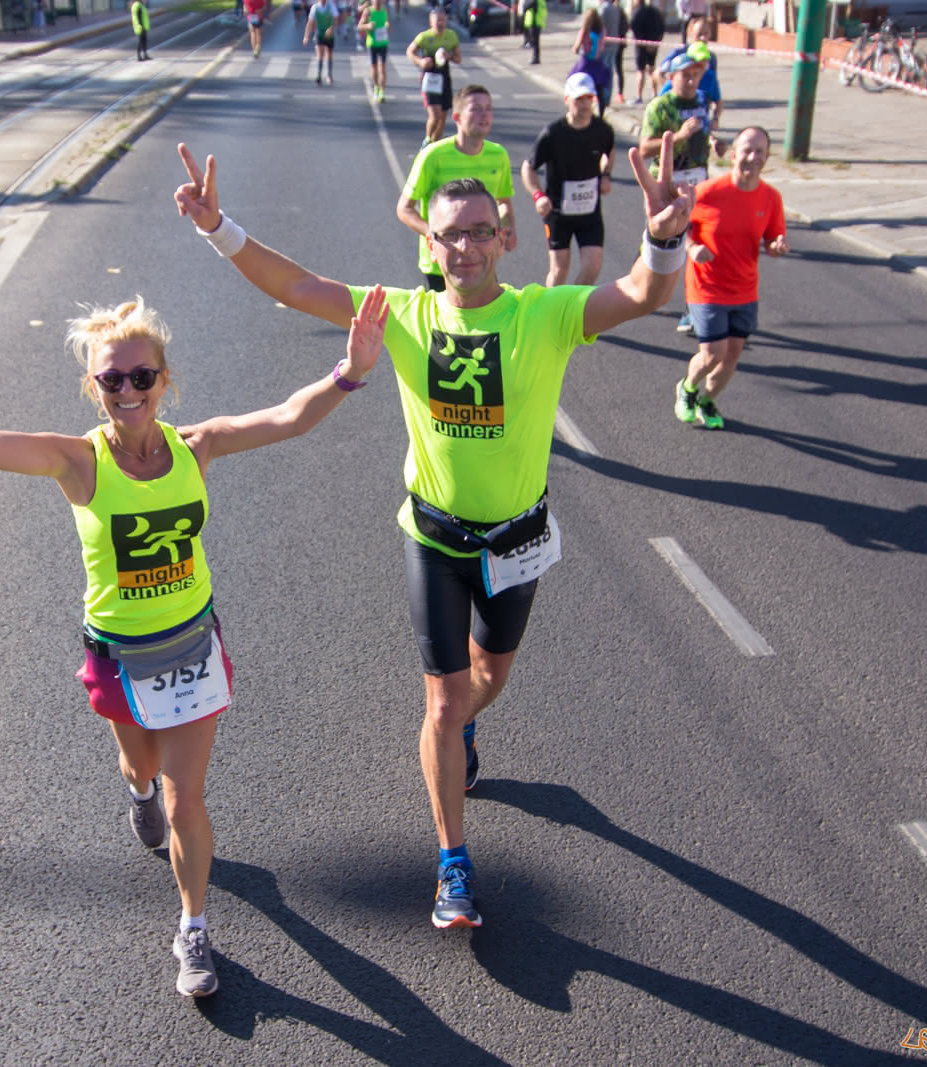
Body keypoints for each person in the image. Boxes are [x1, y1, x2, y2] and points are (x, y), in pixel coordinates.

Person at [172, 136, 693, 930]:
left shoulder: (543, 316)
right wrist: (219, 228)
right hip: (434, 537)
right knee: (444, 705)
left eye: (481, 231)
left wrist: (660, 241)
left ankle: (463, 725)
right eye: (451, 233)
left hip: (515, 542)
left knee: (489, 680)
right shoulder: (404, 312)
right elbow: (297, 286)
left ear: (507, 237)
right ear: (431, 241)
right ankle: (452, 863)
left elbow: (638, 295)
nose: (467, 246)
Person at [0, 288, 388, 997]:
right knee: (144, 770)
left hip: (192, 646)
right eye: (112, 379)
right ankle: (135, 786)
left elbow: (288, 417)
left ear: (165, 381)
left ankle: (193, 927)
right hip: (121, 658)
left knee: (185, 798)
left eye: (142, 376)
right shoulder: (78, 462)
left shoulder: (198, 445)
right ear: (94, 386)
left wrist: (348, 372)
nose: (128, 390)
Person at [671, 126, 787, 430]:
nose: (752, 157)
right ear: (733, 154)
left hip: (745, 290)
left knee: (732, 355)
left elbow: (774, 239)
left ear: (766, 158)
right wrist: (693, 247)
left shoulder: (770, 198)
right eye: (747, 150)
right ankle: (687, 388)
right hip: (706, 286)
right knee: (713, 353)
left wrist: (776, 247)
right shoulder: (708, 193)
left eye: (759, 151)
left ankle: (707, 400)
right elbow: (678, 228)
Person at [398, 84, 517, 291]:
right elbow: (404, 209)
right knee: (446, 324)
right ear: (457, 118)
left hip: (481, 261)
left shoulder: (499, 155)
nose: (484, 114)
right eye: (476, 108)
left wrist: (508, 226)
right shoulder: (433, 156)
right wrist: (435, 235)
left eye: (488, 108)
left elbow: (503, 202)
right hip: (442, 265)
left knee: (487, 321)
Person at [643, 46, 721, 334]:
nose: (692, 81)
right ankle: (651, 279)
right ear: (672, 76)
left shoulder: (702, 100)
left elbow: (704, 134)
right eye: (685, 75)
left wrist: (714, 143)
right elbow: (644, 148)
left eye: (696, 75)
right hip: (668, 187)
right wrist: (679, 136)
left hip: (698, 181)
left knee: (696, 245)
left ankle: (693, 309)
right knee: (672, 243)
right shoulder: (660, 107)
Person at [522, 72, 615, 286]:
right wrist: (538, 196)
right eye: (578, 99)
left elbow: (609, 152)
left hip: (589, 211)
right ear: (567, 100)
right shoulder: (553, 133)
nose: (584, 105)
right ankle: (551, 310)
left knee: (593, 267)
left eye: (588, 99)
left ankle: (570, 307)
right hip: (557, 213)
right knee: (559, 270)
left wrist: (606, 175)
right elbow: (528, 167)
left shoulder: (603, 130)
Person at [407, 8, 462, 146]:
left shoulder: (451, 36)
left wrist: (449, 56)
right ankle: (427, 140)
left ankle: (434, 144)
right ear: (431, 22)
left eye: (443, 20)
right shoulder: (424, 37)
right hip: (430, 77)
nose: (440, 23)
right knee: (435, 115)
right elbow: (410, 52)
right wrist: (420, 61)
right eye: (437, 21)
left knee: (443, 117)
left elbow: (458, 58)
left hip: (444, 76)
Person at [661, 37, 724, 132]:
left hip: (700, 130)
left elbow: (718, 101)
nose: (703, 64)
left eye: (705, 60)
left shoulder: (710, 77)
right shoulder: (680, 78)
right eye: (699, 60)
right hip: (676, 128)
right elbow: (661, 99)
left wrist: (715, 118)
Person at [572, 7, 612, 114]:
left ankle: (578, 107)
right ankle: (601, 112)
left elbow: (576, 47)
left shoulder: (585, 30)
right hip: (598, 63)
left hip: (586, 63)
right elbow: (602, 45)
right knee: (600, 88)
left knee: (577, 82)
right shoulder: (602, 29)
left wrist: (577, 49)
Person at [629, 0, 664, 105]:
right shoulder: (655, 11)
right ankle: (655, 94)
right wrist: (657, 41)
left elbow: (633, 27)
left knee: (641, 70)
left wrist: (642, 43)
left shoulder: (637, 12)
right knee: (652, 68)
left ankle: (639, 96)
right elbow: (662, 27)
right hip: (653, 44)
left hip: (641, 45)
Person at [360, 0, 391, 100]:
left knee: (382, 67)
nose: (377, 1)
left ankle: (382, 91)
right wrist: (367, 26)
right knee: (374, 68)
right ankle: (376, 87)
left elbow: (387, 21)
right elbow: (359, 26)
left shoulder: (384, 10)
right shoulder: (368, 11)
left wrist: (387, 25)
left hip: (383, 43)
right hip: (372, 43)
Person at [304, 0, 340, 84]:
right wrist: (306, 36)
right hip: (319, 33)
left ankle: (329, 74)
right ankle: (319, 74)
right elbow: (310, 22)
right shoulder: (315, 8)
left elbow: (336, 19)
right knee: (320, 53)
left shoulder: (331, 6)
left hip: (329, 33)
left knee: (329, 54)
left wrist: (332, 28)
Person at [599, 0, 627, 104]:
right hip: (614, 44)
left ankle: (602, 96)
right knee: (610, 71)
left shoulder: (603, 9)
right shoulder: (616, 9)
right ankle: (607, 97)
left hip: (604, 44)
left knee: (603, 71)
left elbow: (599, 25)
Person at [520, 0, 545, 66]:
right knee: (535, 41)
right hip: (537, 21)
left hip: (534, 21)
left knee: (534, 42)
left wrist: (523, 7)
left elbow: (526, 6)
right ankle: (535, 58)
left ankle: (536, 58)